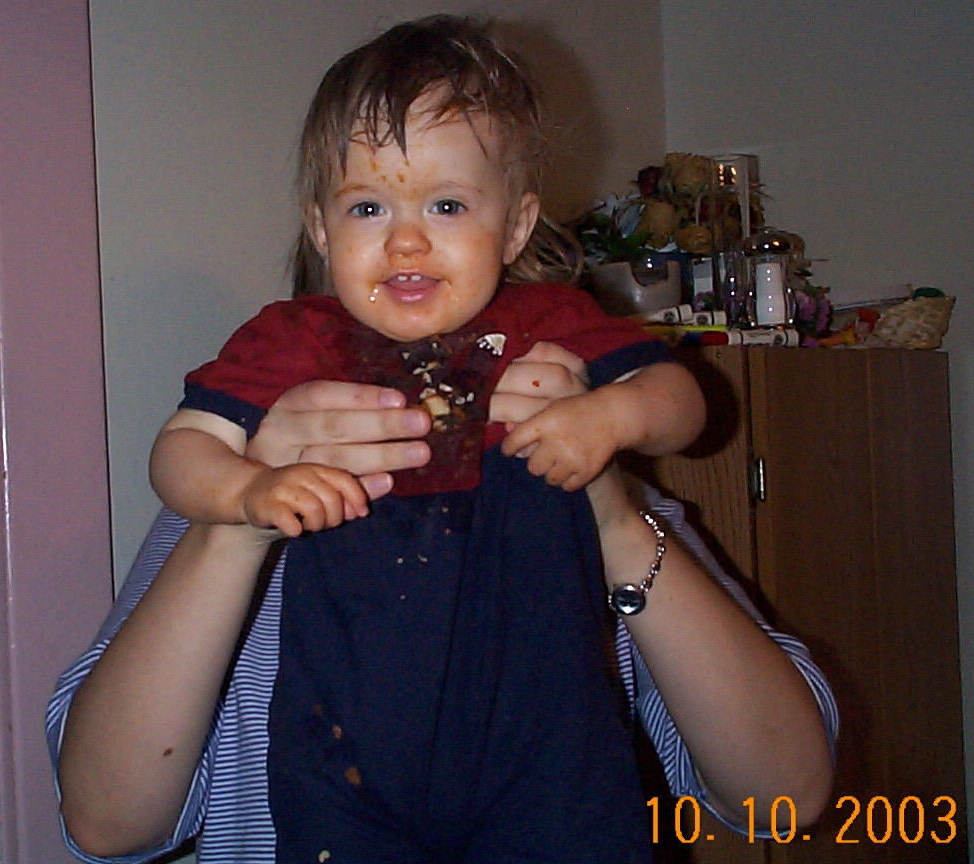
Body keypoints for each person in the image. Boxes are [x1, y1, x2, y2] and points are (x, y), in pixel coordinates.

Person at [146, 16, 708, 862]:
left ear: (515, 226)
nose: (406, 238)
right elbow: (178, 450)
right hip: (344, 763)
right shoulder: (293, 342)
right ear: (321, 227)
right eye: (368, 206)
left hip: (549, 754)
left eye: (447, 205)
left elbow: (682, 402)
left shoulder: (551, 326)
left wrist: (611, 418)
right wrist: (247, 491)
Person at [48, 357, 837, 864]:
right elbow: (107, 820)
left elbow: (783, 794)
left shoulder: (611, 507)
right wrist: (238, 519)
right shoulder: (235, 504)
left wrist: (610, 520)